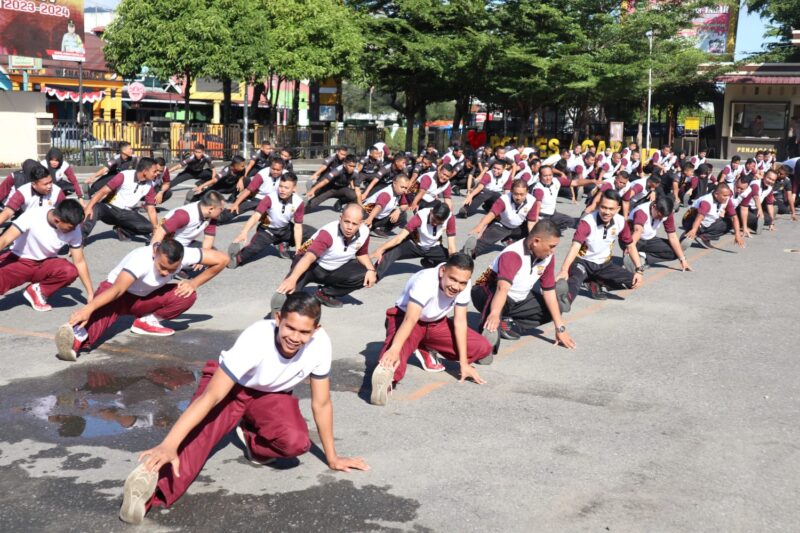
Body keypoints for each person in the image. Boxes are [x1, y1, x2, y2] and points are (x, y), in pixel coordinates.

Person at [117, 292, 369, 525]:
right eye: (289, 327)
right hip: (229, 388)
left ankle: (251, 437)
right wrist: (169, 444)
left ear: (316, 330)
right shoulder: (256, 339)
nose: (294, 337)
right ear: (278, 318)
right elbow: (211, 397)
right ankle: (147, 490)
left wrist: (332, 457)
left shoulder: (321, 344)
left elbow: (321, 403)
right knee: (194, 446)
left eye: (303, 332)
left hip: (269, 394)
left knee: (296, 442)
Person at [55, 239, 229, 362]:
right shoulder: (140, 259)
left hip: (144, 298)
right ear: (155, 253)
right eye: (162, 267)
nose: (165, 274)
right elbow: (117, 290)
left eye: (172, 270)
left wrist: (194, 282)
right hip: (116, 294)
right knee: (92, 326)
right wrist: (88, 308)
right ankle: (75, 340)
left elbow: (222, 260)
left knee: (187, 294)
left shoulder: (183, 255)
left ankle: (147, 322)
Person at [370, 253, 491, 407]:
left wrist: (463, 363)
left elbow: (460, 321)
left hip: (436, 324)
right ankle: (387, 379)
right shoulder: (425, 280)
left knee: (482, 347)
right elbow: (410, 319)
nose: (456, 286)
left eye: (462, 282)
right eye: (452, 279)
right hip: (406, 320)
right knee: (395, 355)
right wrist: (394, 349)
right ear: (442, 272)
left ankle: (423, 347)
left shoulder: (464, 284)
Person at [472, 220, 573, 349]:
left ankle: (507, 323)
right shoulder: (513, 254)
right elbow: (502, 288)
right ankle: (486, 337)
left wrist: (560, 328)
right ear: (536, 241)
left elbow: (548, 290)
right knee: (491, 339)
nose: (553, 251)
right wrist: (495, 314)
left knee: (555, 310)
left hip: (517, 298)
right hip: (487, 292)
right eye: (551, 246)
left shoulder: (547, 257)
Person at [275, 203, 375, 308]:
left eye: (354, 224)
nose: (349, 227)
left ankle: (324, 293)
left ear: (361, 223)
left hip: (333, 269)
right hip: (309, 266)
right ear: (340, 218)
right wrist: (292, 278)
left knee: (365, 274)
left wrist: (371, 270)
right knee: (285, 299)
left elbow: (362, 253)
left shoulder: (364, 232)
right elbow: (308, 258)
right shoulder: (328, 234)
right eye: (346, 222)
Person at [0, 199, 93, 312]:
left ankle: (38, 290)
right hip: (19, 261)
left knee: (69, 271)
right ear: (57, 220)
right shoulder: (33, 215)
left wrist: (90, 293)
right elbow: (4, 240)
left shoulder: (74, 228)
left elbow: (79, 262)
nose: (73, 230)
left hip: (45, 263)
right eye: (69, 228)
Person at [557, 189, 644, 301]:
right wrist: (564, 269)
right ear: (598, 206)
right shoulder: (587, 222)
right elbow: (575, 246)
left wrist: (639, 270)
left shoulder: (621, 222)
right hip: (582, 262)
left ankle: (593, 281)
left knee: (634, 282)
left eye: (611, 209)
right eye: (603, 207)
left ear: (618, 209)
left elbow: (631, 246)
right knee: (575, 281)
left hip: (604, 264)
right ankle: (562, 300)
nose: (606, 212)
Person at [227, 172, 315, 267]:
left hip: (285, 229)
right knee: (252, 250)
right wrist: (243, 232)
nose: (282, 190)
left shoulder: (298, 202)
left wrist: (298, 249)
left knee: (315, 235)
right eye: (280, 186)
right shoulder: (270, 198)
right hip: (268, 230)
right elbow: (255, 216)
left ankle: (287, 245)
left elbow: (297, 227)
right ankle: (234, 258)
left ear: (294, 188)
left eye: (286, 188)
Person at [372, 201, 457, 279]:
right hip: (414, 245)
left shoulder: (450, 219)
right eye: (434, 220)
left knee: (453, 261)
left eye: (439, 223)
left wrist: (454, 268)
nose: (435, 224)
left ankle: (430, 262)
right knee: (389, 253)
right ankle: (373, 275)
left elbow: (452, 247)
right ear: (431, 212)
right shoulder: (420, 217)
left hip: (433, 247)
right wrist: (380, 249)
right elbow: (399, 237)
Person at [81, 157, 160, 241]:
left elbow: (151, 210)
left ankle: (123, 231)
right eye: (154, 171)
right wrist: (88, 207)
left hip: (127, 213)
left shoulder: (150, 186)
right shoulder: (124, 176)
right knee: (94, 207)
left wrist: (155, 229)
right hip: (111, 209)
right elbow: (102, 192)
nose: (156, 174)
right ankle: (79, 240)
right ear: (145, 171)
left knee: (149, 227)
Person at [461, 179, 536, 258]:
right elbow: (491, 214)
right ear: (511, 191)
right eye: (516, 194)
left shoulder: (532, 201)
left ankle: (509, 239)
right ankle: (464, 255)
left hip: (518, 228)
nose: (518, 197)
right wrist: (480, 225)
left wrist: (533, 238)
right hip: (502, 225)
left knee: (535, 232)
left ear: (527, 192)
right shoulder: (504, 199)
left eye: (522, 194)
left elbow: (531, 223)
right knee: (484, 242)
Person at [627, 196, 692, 272]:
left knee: (676, 253)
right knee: (631, 254)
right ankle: (633, 257)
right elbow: (638, 231)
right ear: (654, 206)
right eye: (659, 216)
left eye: (663, 217)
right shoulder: (641, 212)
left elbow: (672, 236)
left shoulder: (666, 213)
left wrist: (683, 260)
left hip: (649, 239)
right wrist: (630, 248)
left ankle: (642, 256)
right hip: (632, 240)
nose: (661, 219)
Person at [151, 191, 226, 250]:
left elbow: (209, 238)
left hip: (186, 244)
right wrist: (153, 253)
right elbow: (159, 232)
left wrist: (203, 256)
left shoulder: (211, 216)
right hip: (170, 245)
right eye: (221, 209)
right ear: (211, 209)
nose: (222, 211)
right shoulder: (184, 215)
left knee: (213, 255)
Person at [681, 183, 745, 249]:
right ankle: (690, 232)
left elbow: (734, 218)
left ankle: (704, 237)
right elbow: (699, 217)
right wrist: (693, 230)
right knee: (688, 237)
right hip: (691, 220)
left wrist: (737, 235)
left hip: (705, 221)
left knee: (729, 222)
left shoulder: (727, 199)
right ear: (716, 194)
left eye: (728, 195)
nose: (727, 198)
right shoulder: (707, 201)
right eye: (724, 195)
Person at [222, 158, 286, 222]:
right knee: (236, 209)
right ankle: (217, 217)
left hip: (274, 200)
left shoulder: (286, 175)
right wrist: (236, 204)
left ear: (282, 169)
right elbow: (248, 190)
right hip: (258, 199)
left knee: (272, 221)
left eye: (278, 170)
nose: (275, 171)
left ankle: (264, 220)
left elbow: (292, 189)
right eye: (273, 169)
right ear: (270, 167)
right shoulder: (262, 174)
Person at [528, 165, 590, 230]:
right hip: (542, 217)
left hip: (553, 214)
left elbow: (575, 182)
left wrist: (592, 181)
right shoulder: (538, 189)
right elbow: (536, 208)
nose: (548, 178)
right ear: (539, 177)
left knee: (573, 221)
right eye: (545, 176)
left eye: (550, 175)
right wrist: (535, 226)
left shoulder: (556, 181)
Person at [0, 167, 64, 227]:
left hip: (49, 226)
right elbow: (7, 212)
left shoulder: (57, 191)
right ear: (34, 184)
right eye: (45, 184)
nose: (49, 186)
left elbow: (66, 212)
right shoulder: (23, 192)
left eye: (50, 182)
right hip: (27, 225)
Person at [738, 170, 777, 236]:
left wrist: (772, 223)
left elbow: (770, 204)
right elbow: (756, 196)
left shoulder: (770, 188)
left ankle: (754, 222)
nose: (770, 181)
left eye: (773, 180)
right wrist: (760, 210)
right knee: (754, 220)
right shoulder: (756, 184)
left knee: (768, 220)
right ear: (764, 176)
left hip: (754, 209)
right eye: (769, 178)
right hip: (744, 207)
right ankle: (747, 224)